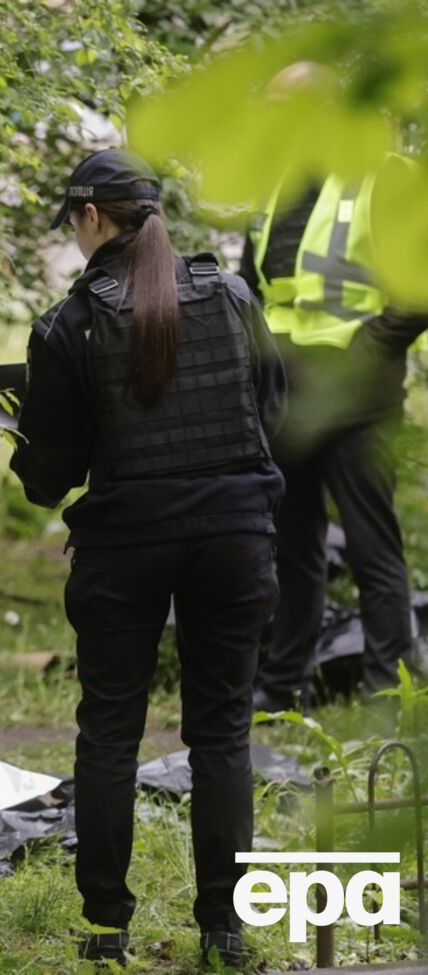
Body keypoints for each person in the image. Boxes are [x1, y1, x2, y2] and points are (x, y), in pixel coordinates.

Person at [10, 148, 286, 968]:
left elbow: (46, 476)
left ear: (93, 219)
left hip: (125, 546)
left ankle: (106, 928)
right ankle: (224, 931)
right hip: (237, 537)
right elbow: (269, 410)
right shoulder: (233, 296)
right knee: (222, 734)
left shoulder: (68, 325)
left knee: (109, 734)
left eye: (71, 220)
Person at [245, 65, 428, 711]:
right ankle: (281, 683)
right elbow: (253, 289)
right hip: (286, 399)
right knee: (294, 551)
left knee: (374, 546)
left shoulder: (386, 174)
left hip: (360, 399)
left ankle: (389, 689)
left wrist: (368, 352)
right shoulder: (277, 184)